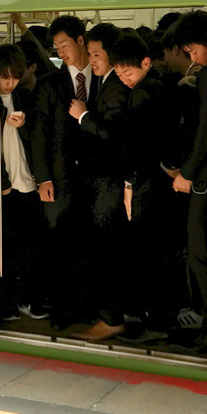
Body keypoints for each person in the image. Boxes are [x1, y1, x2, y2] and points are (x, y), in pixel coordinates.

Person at [109, 30, 181, 342]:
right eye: (119, 73)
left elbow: (134, 146)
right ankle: (166, 320)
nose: (124, 78)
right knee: (161, 253)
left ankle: (154, 323)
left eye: (127, 72)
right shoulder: (165, 86)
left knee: (145, 253)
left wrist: (128, 184)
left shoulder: (141, 95)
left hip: (146, 184)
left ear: (146, 62)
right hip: (162, 183)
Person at [31, 15, 99, 329]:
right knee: (58, 242)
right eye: (57, 47)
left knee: (90, 242)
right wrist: (43, 177)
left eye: (65, 45)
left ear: (81, 41)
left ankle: (88, 307)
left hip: (97, 177)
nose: (61, 51)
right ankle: (61, 310)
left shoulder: (103, 77)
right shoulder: (48, 83)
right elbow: (38, 133)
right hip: (58, 178)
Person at [66, 23, 131, 340]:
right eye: (89, 54)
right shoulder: (103, 82)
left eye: (95, 54)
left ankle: (111, 317)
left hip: (110, 183)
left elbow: (111, 135)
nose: (91, 60)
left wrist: (82, 117)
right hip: (99, 182)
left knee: (108, 250)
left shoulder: (117, 88)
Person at [171, 10, 207, 353]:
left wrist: (187, 172)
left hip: (204, 179)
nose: (192, 58)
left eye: (193, 50)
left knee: (200, 255)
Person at [0, 44, 48, 322]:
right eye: (4, 76)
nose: (9, 82)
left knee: (30, 246)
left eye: (14, 76)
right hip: (4, 189)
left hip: (28, 184)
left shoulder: (24, 98)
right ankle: (8, 302)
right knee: (7, 250)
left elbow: (38, 139)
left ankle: (28, 299)